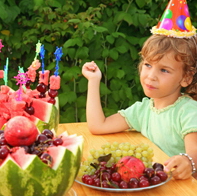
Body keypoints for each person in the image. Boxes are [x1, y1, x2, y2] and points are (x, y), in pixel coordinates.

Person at [82, 34, 197, 180]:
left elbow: (195, 152)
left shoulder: (189, 111)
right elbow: (98, 125)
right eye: (148, 65)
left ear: (186, 77)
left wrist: (189, 161)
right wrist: (93, 81)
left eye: (164, 70)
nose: (151, 76)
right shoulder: (143, 110)